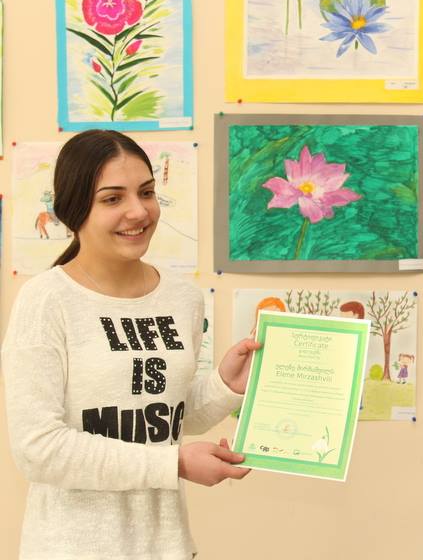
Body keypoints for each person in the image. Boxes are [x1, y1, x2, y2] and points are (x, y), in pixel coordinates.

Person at [2, 130, 260, 559]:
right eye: (112, 198)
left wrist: (225, 386)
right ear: (74, 209)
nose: (139, 211)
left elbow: (161, 419)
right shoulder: (46, 300)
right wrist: (174, 464)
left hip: (167, 547)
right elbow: (38, 449)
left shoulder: (182, 298)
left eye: (147, 192)